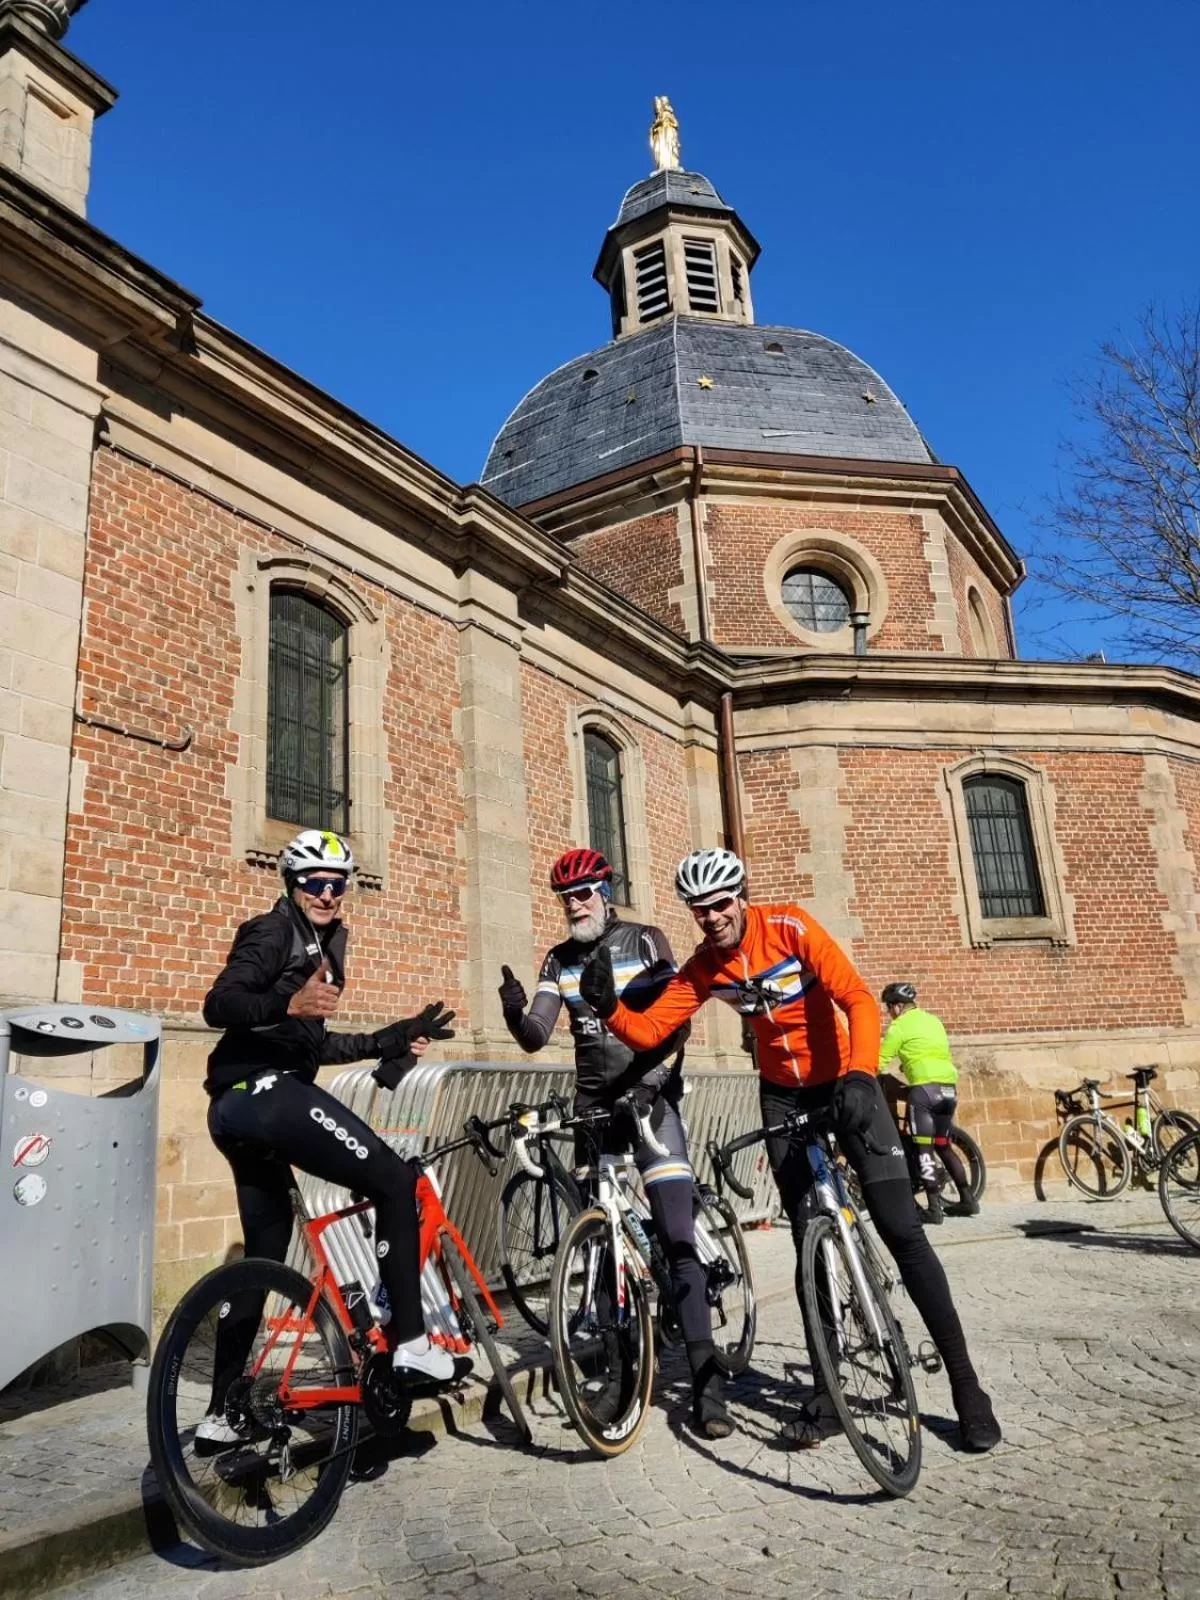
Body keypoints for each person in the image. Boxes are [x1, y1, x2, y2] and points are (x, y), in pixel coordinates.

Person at [579, 847, 1001, 1453]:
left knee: (902, 1231)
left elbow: (856, 998)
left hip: (844, 1080)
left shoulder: (790, 927)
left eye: (720, 904)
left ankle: (968, 1389)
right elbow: (651, 1030)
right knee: (809, 1245)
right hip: (781, 1096)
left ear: (740, 898)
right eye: (699, 909)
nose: (711, 917)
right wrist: (610, 1008)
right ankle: (829, 1395)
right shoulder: (704, 966)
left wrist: (861, 1074)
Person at [198, 828, 457, 1445]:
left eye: (337, 885)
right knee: (394, 1180)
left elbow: (311, 1046)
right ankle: (413, 1342)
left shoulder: (321, 944)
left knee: (264, 1257)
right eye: (314, 882)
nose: (327, 893)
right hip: (265, 1096)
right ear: (292, 883)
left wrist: (388, 1039)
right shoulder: (273, 932)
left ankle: (222, 1414)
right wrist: (287, 1004)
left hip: (236, 1110)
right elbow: (220, 1003)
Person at [498, 845, 733, 1439]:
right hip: (594, 1107)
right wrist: (514, 1015)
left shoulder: (645, 940)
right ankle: (619, 1377)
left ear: (605, 893)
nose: (574, 905)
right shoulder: (558, 960)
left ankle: (707, 1385)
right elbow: (536, 1035)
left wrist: (653, 1082)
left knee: (676, 1235)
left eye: (583, 894)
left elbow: (677, 1020)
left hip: (650, 1098)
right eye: (565, 898)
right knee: (599, 1247)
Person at [879, 982, 979, 1225]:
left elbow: (878, 1061)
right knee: (943, 1145)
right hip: (948, 1090)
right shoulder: (934, 1021)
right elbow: (935, 1053)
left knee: (924, 1149)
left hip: (924, 1092)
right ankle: (968, 1199)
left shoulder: (899, 1027)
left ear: (898, 1006)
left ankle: (934, 1209)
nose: (889, 1012)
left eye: (889, 1007)